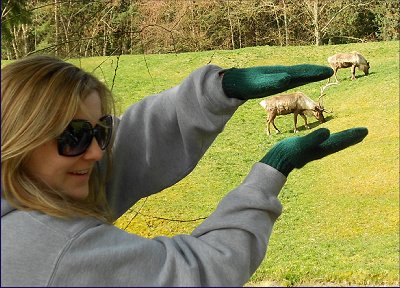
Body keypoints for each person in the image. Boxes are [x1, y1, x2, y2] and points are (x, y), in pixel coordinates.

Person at [1, 55, 368, 287]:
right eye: (76, 136)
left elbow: (123, 153)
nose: (97, 151)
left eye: (103, 130)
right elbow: (202, 273)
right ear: (18, 138)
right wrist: (271, 172)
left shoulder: (22, 190)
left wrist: (216, 92)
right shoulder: (53, 252)